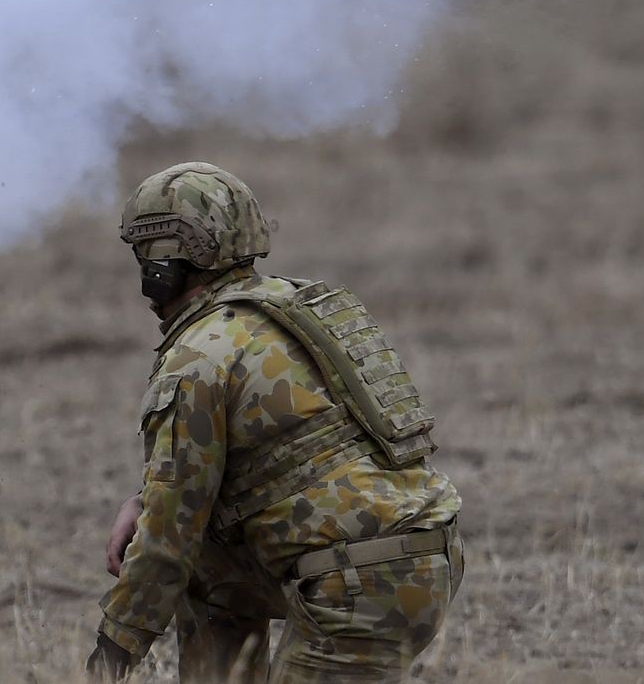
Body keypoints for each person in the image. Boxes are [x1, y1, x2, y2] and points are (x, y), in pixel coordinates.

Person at [89, 162, 463, 683]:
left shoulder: (198, 354)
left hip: (359, 585)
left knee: (181, 555)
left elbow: (164, 542)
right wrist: (145, 499)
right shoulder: (293, 308)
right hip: (420, 555)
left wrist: (110, 653)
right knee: (202, 570)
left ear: (164, 261)